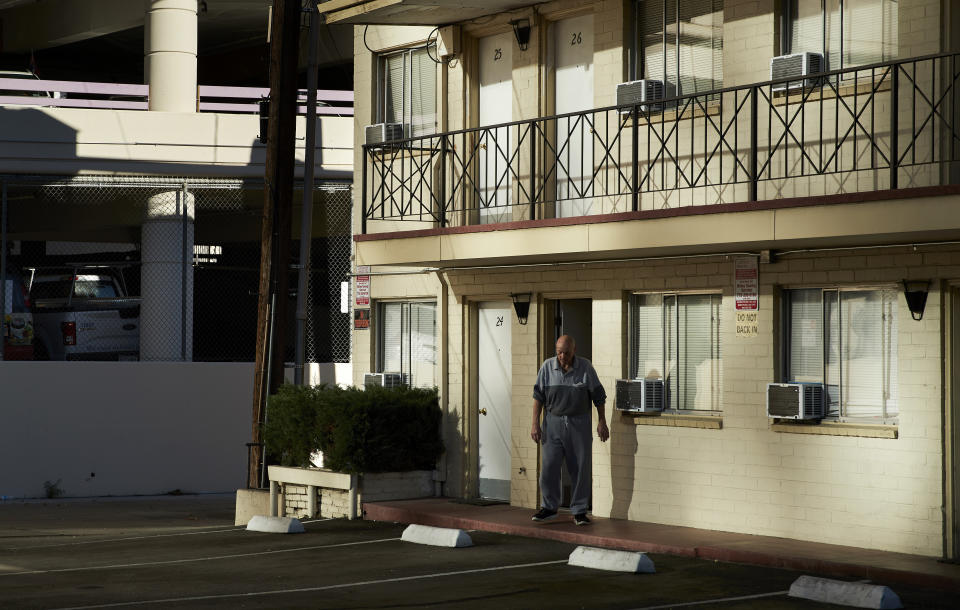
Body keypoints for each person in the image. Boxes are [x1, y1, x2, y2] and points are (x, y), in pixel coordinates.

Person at [531, 334, 608, 526]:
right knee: (548, 467)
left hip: (579, 422)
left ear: (574, 351)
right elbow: (538, 396)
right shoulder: (547, 367)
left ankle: (580, 511)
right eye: (559, 352)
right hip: (553, 421)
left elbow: (598, 396)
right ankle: (549, 508)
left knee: (580, 467)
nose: (562, 356)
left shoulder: (586, 368)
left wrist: (602, 421)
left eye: (566, 353)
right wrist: (535, 423)